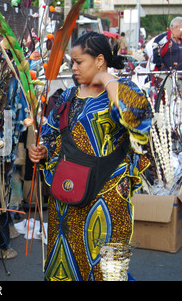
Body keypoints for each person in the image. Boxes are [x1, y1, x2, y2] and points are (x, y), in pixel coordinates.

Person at [28, 31, 152, 281]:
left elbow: (137, 118)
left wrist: (105, 77)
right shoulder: (68, 96)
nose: (73, 68)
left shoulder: (122, 88)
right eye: (71, 62)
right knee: (66, 262)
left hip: (107, 197)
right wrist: (41, 152)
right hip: (67, 197)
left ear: (99, 59)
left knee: (107, 269)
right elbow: (52, 137)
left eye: (79, 61)